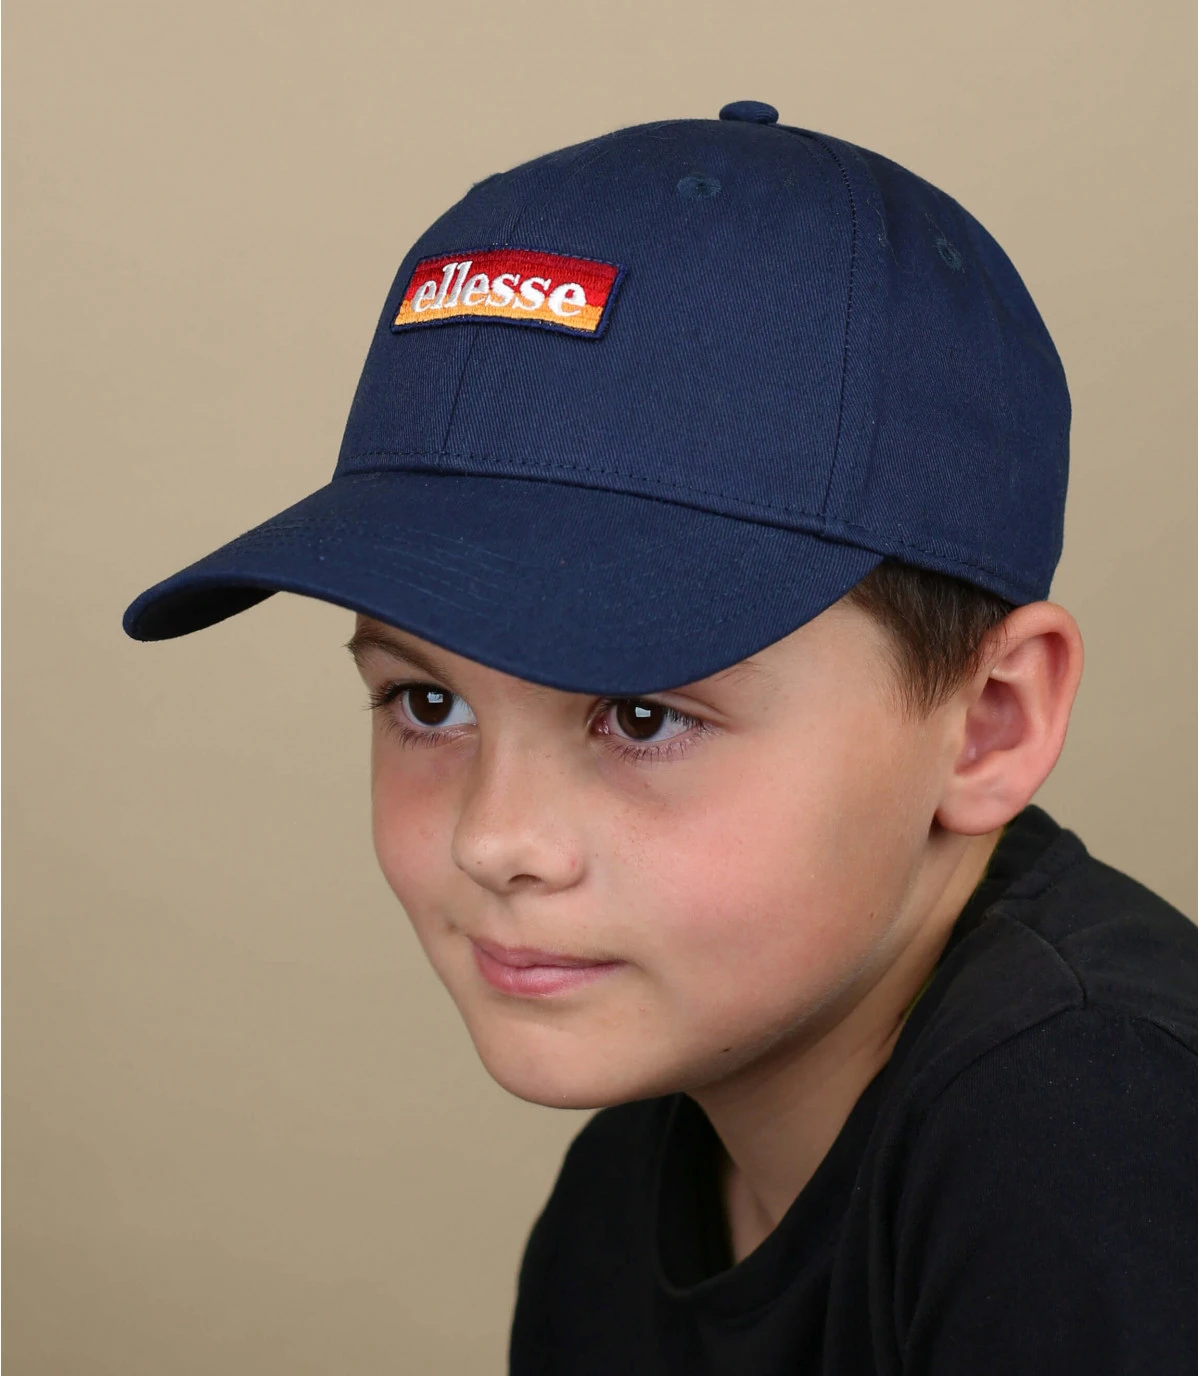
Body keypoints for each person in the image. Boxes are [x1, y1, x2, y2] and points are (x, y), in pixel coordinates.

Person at [123, 101, 1196, 1373]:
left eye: (642, 715)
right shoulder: (620, 1200)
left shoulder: (1109, 1137)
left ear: (990, 724)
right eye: (428, 702)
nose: (494, 839)